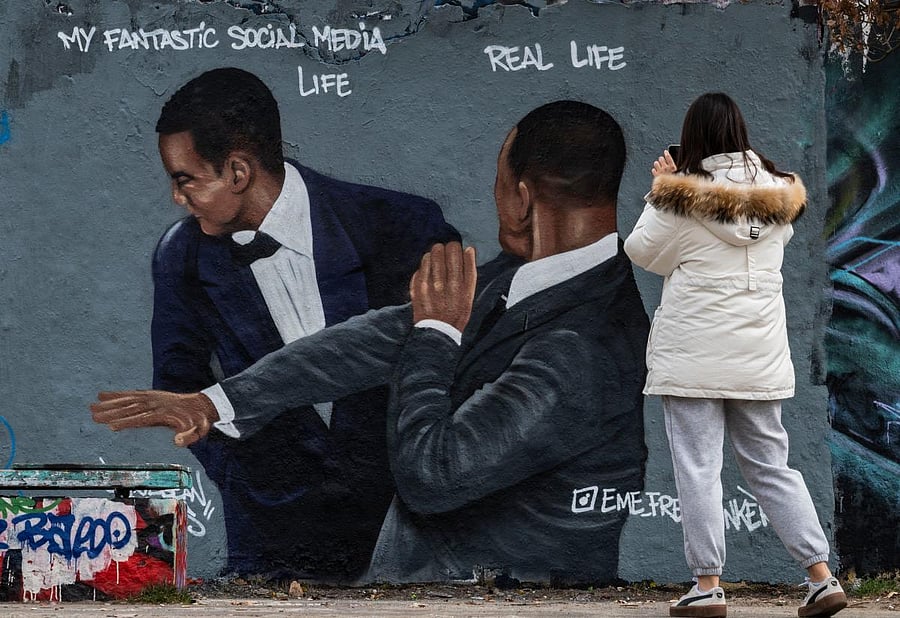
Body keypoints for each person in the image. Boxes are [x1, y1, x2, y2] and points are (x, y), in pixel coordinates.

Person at [92, 100, 650, 585]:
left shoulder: (582, 348)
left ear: (523, 199)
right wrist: (216, 402)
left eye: (499, 183)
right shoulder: (523, 277)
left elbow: (433, 475)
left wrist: (436, 333)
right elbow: (372, 341)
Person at [145, 67, 459, 581]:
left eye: (185, 180)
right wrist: (249, 480)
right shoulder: (180, 256)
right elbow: (179, 383)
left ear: (238, 173)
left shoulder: (402, 225)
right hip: (273, 548)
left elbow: (450, 356)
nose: (176, 198)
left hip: (406, 539)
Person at [623, 92, 847, 618]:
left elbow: (642, 251)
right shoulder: (778, 198)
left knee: (699, 468)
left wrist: (662, 190)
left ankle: (707, 586)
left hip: (694, 357)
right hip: (759, 358)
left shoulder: (681, 198)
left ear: (694, 138)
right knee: (772, 466)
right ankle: (821, 577)